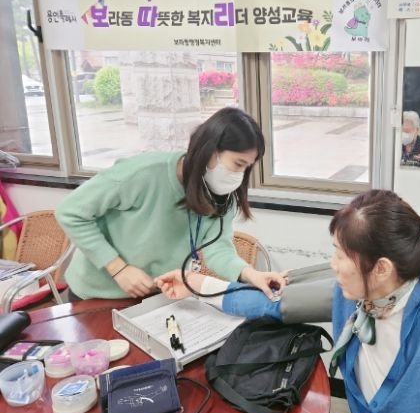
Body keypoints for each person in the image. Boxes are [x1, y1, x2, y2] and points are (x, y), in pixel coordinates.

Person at [156, 189, 420, 413]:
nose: (332, 265)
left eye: (340, 255)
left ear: (381, 269)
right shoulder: (355, 297)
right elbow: (273, 303)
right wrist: (197, 285)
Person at [55, 107, 287, 301]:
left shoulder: (221, 194)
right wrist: (119, 269)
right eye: (237, 164)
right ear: (209, 151)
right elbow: (70, 212)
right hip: (96, 295)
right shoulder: (142, 173)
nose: (240, 175)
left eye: (247, 167)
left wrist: (251, 274)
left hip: (154, 295)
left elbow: (218, 249)